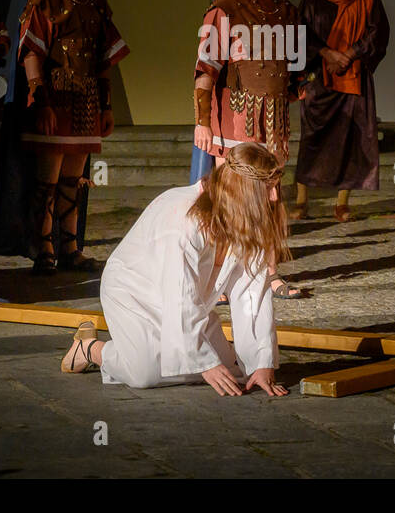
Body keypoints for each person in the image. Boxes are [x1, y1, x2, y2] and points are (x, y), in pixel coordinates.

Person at [60, 142, 287, 397]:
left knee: (230, 372)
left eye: (274, 188)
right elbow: (178, 291)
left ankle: (184, 350)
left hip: (189, 302)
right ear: (243, 190)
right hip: (134, 293)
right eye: (267, 189)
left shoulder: (246, 218)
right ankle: (91, 349)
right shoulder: (183, 218)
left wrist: (261, 362)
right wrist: (203, 361)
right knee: (144, 374)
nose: (274, 198)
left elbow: (251, 293)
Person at [195, 0, 305, 300]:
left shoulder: (284, 10)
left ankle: (269, 271)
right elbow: (204, 70)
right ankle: (221, 276)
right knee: (234, 199)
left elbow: (296, 66)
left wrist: (300, 86)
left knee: (272, 195)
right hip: (236, 118)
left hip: (274, 119)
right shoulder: (224, 8)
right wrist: (202, 122)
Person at [15, 0, 128, 274]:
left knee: (74, 180)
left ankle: (71, 247)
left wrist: (107, 106)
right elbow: (32, 52)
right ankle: (43, 248)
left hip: (86, 103)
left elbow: (103, 60)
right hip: (55, 99)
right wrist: (40, 100)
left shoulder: (95, 4)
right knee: (47, 182)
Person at [290, 0, 390, 222]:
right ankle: (301, 201)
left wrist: (349, 54)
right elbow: (300, 31)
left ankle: (342, 203)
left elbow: (378, 31)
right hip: (318, 77)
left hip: (353, 76)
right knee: (312, 139)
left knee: (350, 139)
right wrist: (326, 53)